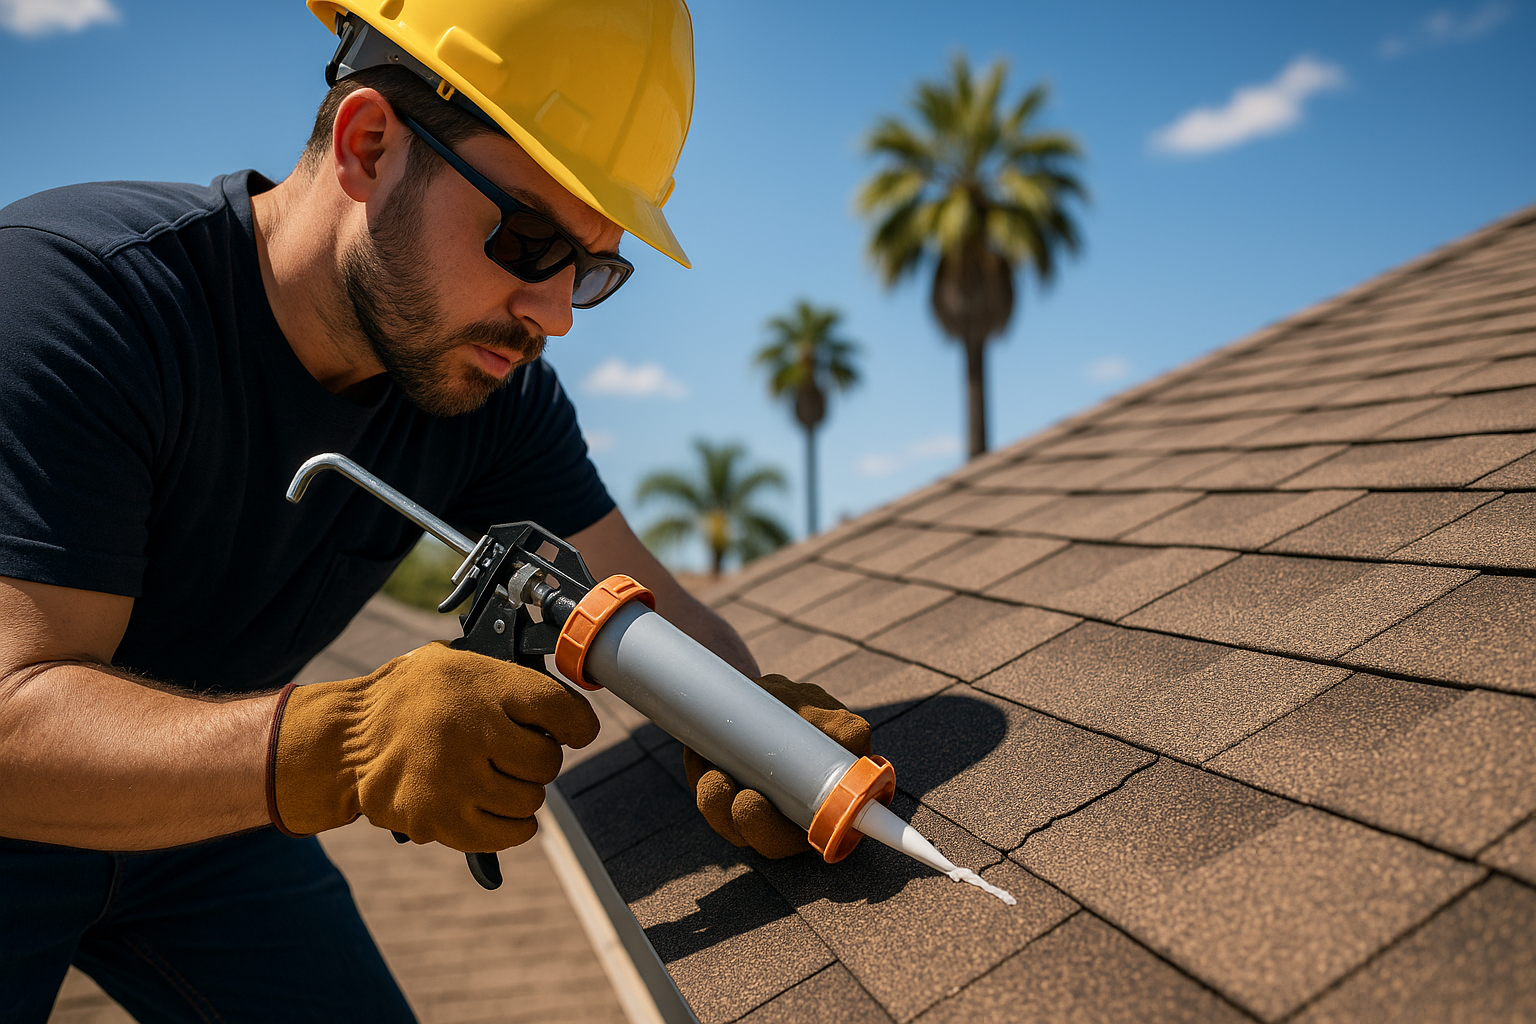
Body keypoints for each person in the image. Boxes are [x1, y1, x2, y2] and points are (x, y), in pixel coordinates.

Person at [0, 2, 869, 1020]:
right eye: (532, 237)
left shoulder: (485, 390)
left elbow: (648, 599)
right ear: (370, 144)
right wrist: (353, 745)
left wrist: (751, 721)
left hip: (210, 819)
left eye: (592, 268)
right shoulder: (76, 305)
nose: (553, 313)